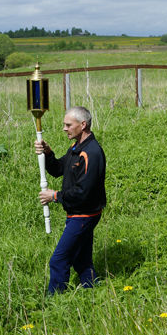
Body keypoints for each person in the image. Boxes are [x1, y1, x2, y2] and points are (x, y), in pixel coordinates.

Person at [35, 106, 107, 295]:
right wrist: (48, 153)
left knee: (58, 260)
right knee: (82, 259)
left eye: (68, 125)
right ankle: (92, 291)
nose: (64, 128)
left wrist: (55, 196)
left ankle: (55, 301)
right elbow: (58, 169)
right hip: (78, 213)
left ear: (82, 125)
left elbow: (84, 192)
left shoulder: (92, 153)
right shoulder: (76, 148)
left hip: (85, 214)